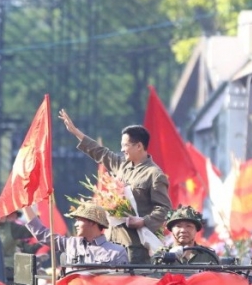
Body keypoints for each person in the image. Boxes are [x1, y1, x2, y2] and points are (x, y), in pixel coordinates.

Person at [59, 109, 171, 264]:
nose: (122, 149)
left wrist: (143, 221)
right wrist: (76, 132)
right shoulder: (122, 165)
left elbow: (164, 209)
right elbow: (101, 152)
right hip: (110, 242)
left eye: (125, 145)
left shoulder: (154, 174)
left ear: (139, 146)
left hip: (135, 244)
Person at [23, 202, 128, 266]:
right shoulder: (71, 244)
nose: (76, 224)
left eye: (79, 220)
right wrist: (25, 206)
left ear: (92, 222)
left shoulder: (117, 252)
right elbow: (42, 233)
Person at [0, 196, 43, 280]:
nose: (4, 213)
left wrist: (34, 216)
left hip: (7, 272)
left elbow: (32, 230)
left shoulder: (12, 228)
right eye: (0, 211)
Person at [153, 205, 218, 265]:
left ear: (196, 230)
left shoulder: (208, 255)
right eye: (178, 226)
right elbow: (153, 272)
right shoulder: (160, 255)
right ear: (171, 230)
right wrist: (168, 256)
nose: (183, 230)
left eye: (188, 226)